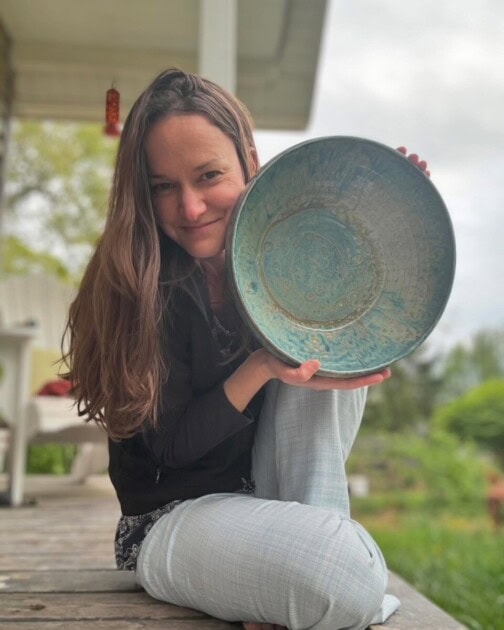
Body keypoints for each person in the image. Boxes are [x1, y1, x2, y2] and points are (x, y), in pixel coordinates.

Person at [64, 68, 427, 630]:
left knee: (326, 324)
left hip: (268, 494)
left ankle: (296, 591)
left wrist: (387, 209)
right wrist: (261, 367)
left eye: (209, 175)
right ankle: (312, 586)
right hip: (172, 516)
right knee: (345, 575)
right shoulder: (135, 284)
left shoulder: (275, 257)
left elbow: (374, 319)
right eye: (163, 186)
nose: (190, 208)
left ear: (250, 164)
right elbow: (170, 452)